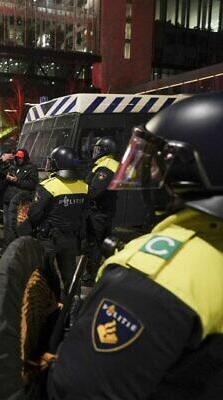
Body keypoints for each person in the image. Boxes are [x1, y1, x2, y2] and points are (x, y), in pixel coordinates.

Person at [44, 92, 223, 400]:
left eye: (156, 165)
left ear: (188, 170)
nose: (149, 175)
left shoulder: (154, 276)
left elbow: (79, 390)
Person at [26, 146, 88, 295]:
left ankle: (52, 305)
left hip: (49, 240)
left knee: (45, 275)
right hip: (71, 238)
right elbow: (85, 214)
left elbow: (34, 214)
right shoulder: (84, 186)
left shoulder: (48, 186)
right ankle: (72, 311)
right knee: (70, 277)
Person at [83, 137, 119, 284]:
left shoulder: (105, 166)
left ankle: (90, 276)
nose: (95, 152)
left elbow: (95, 191)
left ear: (105, 150)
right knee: (104, 243)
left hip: (98, 211)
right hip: (107, 210)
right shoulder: (109, 164)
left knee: (93, 243)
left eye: (98, 149)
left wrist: (83, 193)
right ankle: (105, 272)